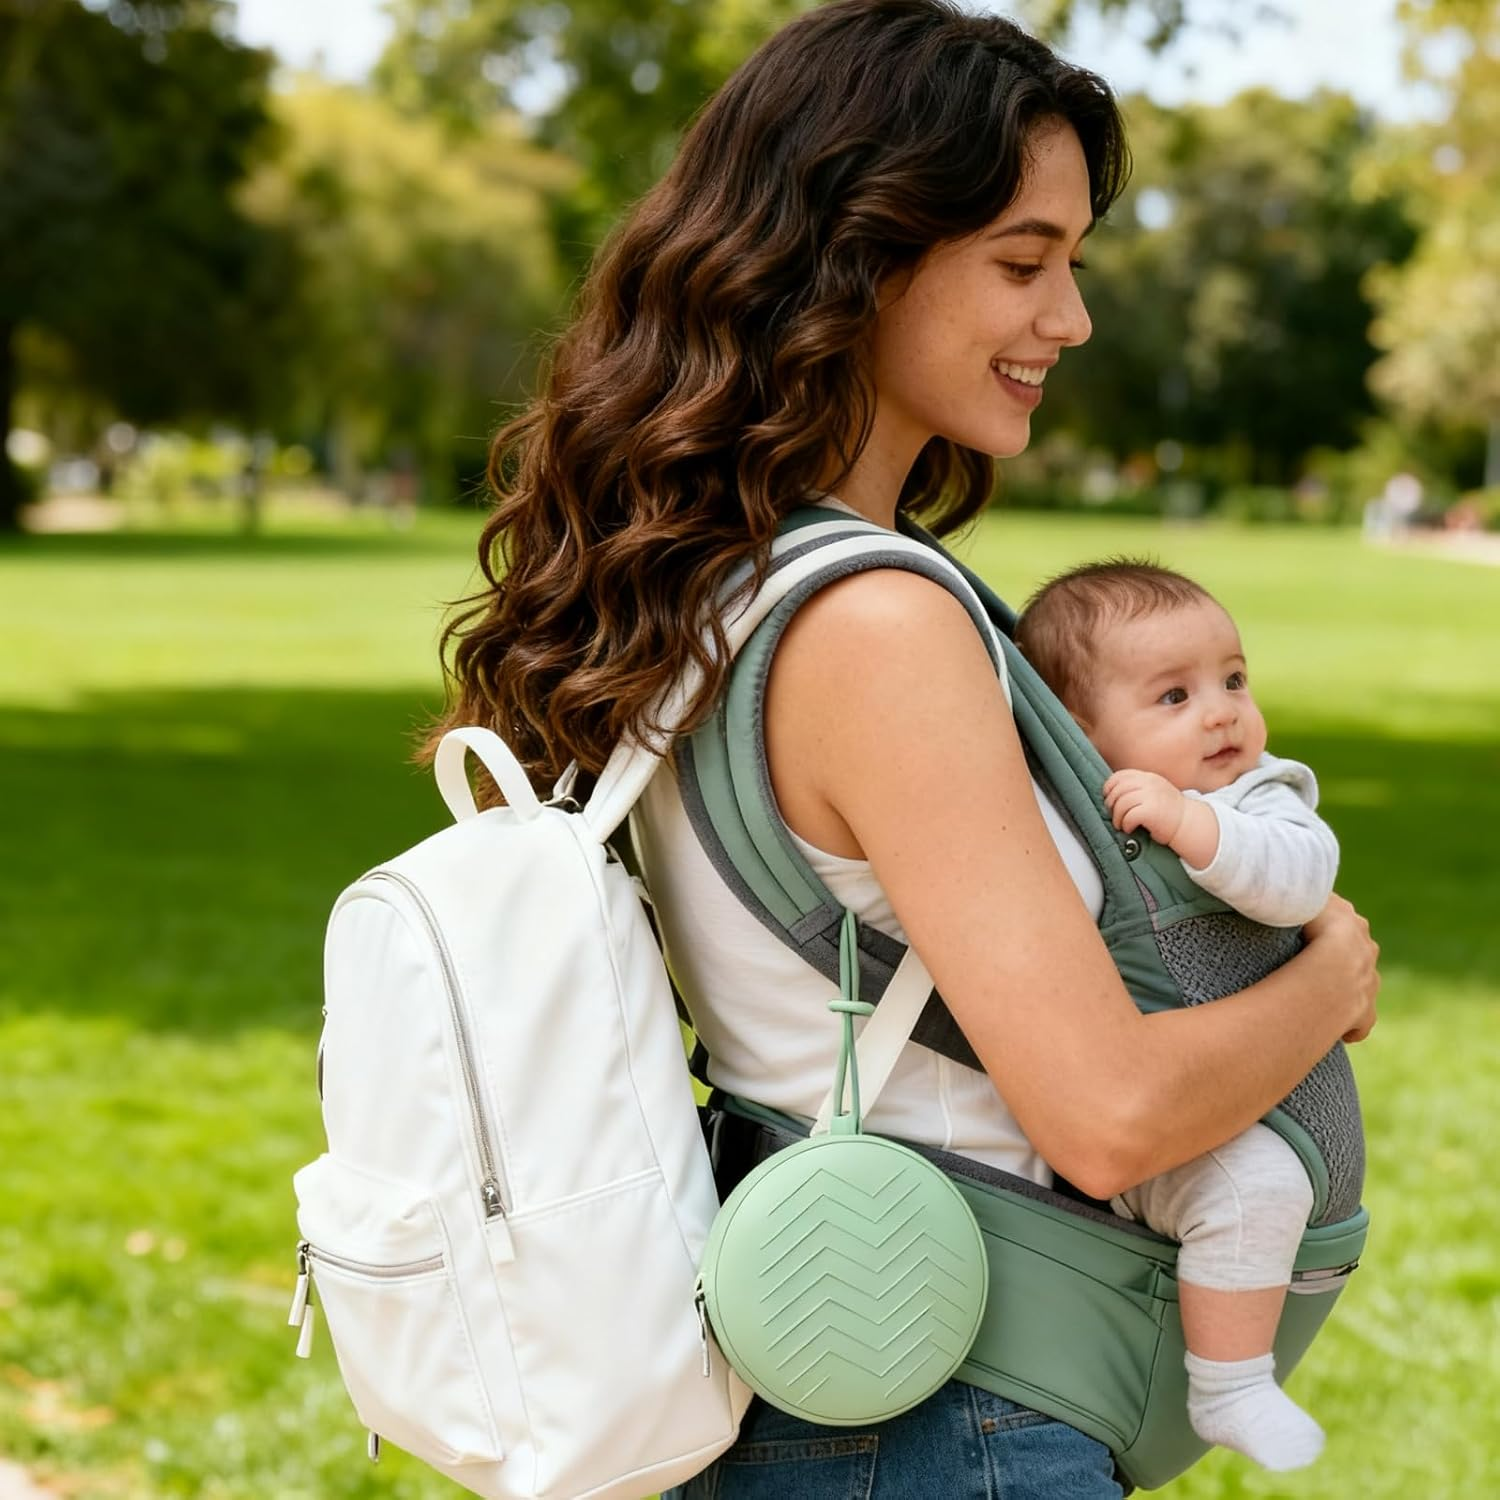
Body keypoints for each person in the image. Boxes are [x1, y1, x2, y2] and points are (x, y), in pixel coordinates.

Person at [428, 2, 1380, 1494]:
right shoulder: (876, 621)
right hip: (951, 1408)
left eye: (1074, 263)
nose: (1068, 319)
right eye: (1022, 263)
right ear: (857, 258)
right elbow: (1110, 1112)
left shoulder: (718, 570)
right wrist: (1331, 976)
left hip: (841, 1347)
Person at [1015, 558, 1341, 1471]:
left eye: (1233, 680)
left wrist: (1195, 825)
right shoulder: (1064, 813)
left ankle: (1231, 1386)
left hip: (1214, 1116)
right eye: (1173, 696)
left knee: (1257, 1189)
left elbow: (1299, 883)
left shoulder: (1260, 796)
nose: (1222, 712)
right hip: (1083, 1115)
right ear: (1080, 736)